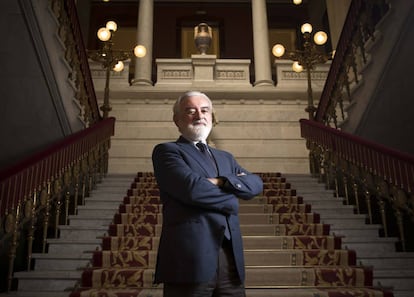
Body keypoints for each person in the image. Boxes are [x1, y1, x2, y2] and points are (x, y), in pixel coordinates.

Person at [152, 91, 263, 297]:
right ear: (177, 120)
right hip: (190, 258)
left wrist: (221, 181)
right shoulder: (167, 151)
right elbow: (194, 190)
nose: (199, 115)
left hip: (230, 260)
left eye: (204, 110)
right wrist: (232, 197)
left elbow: (256, 184)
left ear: (212, 116)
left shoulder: (226, 158)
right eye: (190, 111)